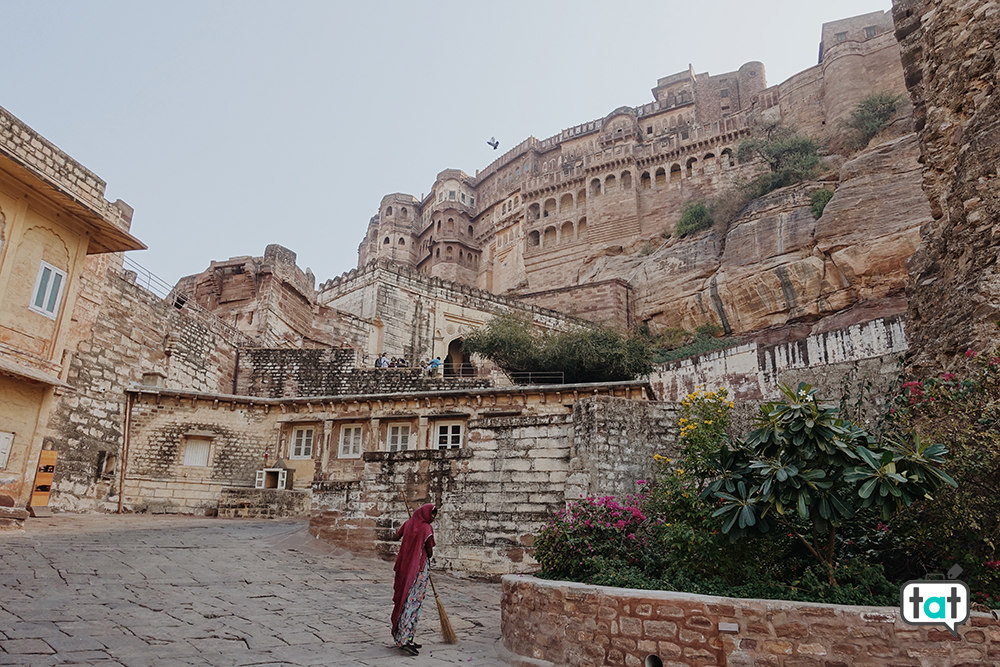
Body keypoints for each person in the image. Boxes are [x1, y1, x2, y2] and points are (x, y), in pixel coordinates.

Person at [391, 504, 436, 655]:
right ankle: (405, 639)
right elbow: (429, 551)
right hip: (419, 569)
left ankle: (405, 637)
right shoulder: (426, 528)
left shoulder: (408, 523)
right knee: (413, 602)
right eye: (433, 514)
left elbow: (396, 537)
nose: (434, 518)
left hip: (405, 566)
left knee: (405, 600)